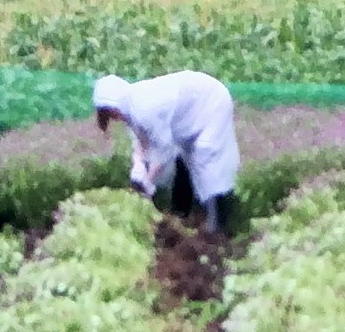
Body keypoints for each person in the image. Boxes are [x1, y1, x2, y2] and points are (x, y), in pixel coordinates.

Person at [93, 71, 241, 233]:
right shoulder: (131, 109)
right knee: (184, 158)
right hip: (189, 113)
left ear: (117, 103)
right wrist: (139, 165)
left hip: (210, 102)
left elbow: (163, 151)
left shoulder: (144, 108)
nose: (113, 118)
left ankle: (218, 225)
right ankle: (183, 214)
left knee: (206, 155)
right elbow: (142, 141)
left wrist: (148, 180)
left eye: (111, 112)